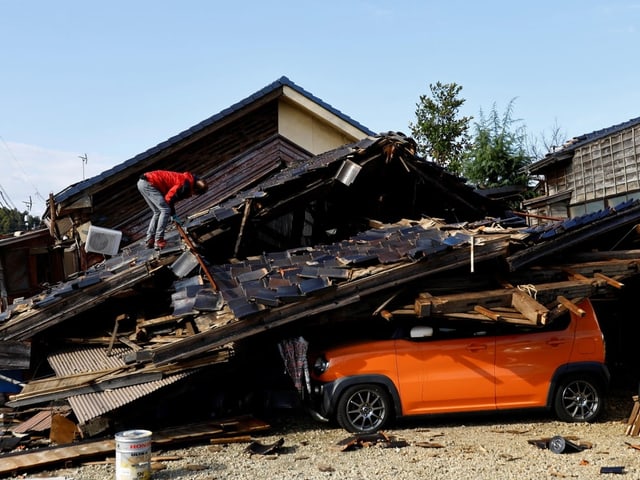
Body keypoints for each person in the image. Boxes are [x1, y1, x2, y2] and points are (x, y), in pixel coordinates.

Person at [137, 170, 208, 249]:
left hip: (143, 182)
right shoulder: (185, 185)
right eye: (195, 193)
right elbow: (169, 199)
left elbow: (171, 199)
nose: (193, 195)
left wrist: (173, 214)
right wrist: (173, 215)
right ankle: (159, 240)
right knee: (165, 210)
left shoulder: (187, 179)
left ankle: (150, 239)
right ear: (196, 190)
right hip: (150, 183)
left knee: (157, 211)